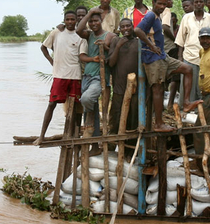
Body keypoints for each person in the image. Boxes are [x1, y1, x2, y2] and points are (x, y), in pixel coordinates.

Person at [133, 0, 194, 132]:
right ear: (153, 3)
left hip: (162, 57)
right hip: (153, 58)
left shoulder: (157, 17)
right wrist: (151, 45)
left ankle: (186, 102)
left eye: (164, 4)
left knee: (187, 69)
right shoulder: (150, 15)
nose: (161, 6)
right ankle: (159, 123)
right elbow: (137, 30)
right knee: (158, 88)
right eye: (159, 3)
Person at [37, 10, 84, 144]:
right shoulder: (57, 32)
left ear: (76, 21)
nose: (70, 22)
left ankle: (74, 135)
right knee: (52, 103)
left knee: (75, 106)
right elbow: (43, 47)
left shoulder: (80, 35)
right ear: (64, 20)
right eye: (67, 19)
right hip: (60, 75)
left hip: (75, 75)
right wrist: (52, 62)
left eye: (72, 19)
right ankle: (42, 135)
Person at [76, 8, 115, 136]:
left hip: (99, 76)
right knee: (90, 110)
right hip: (86, 76)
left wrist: (105, 46)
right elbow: (78, 30)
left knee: (86, 99)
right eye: (91, 21)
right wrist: (90, 13)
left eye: (96, 21)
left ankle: (92, 133)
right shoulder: (89, 35)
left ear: (101, 20)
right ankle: (94, 140)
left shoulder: (109, 35)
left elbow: (114, 52)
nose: (93, 24)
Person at [175, 0, 210, 105]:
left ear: (204, 3)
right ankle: (185, 107)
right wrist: (180, 57)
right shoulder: (187, 18)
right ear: (193, 3)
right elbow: (181, 38)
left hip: (206, 56)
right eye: (196, 2)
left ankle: (202, 107)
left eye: (201, 2)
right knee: (188, 83)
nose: (199, 4)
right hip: (189, 55)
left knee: (203, 83)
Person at [107, 18, 140, 133]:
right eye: (123, 27)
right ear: (120, 29)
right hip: (119, 85)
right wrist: (118, 47)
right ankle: (112, 144)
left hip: (135, 86)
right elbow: (111, 63)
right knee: (116, 114)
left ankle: (129, 148)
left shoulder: (138, 42)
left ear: (132, 27)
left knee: (133, 116)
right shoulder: (116, 41)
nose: (126, 29)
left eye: (128, 26)